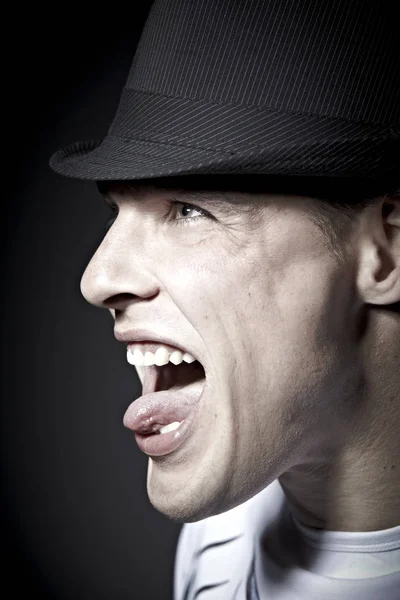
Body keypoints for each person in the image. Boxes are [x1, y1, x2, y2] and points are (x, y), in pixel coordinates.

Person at [49, 0, 399, 598]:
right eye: (115, 211)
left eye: (190, 210)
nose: (97, 279)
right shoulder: (217, 543)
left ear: (384, 253)